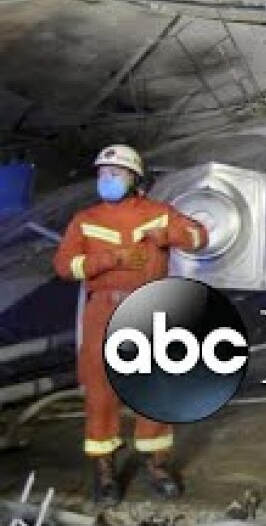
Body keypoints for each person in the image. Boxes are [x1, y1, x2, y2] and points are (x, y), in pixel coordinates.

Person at [52, 144, 208, 507]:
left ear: (134, 178)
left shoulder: (157, 213)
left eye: (115, 173)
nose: (107, 179)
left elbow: (200, 236)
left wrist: (171, 236)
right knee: (101, 388)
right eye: (103, 174)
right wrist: (110, 258)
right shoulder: (85, 219)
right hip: (102, 310)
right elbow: (64, 265)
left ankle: (157, 466)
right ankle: (104, 472)